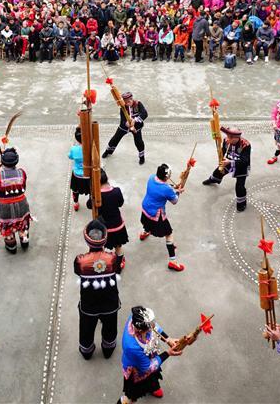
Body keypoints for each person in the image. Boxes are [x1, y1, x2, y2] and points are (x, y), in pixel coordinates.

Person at [74, 219, 120, 360]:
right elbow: (117, 269)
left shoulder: (80, 261)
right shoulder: (112, 258)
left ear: (87, 240)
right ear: (104, 240)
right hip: (110, 303)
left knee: (86, 328)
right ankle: (108, 349)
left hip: (89, 305)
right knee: (110, 327)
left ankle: (87, 351)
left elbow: (77, 272)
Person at [119, 306, 183, 403]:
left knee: (153, 376)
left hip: (149, 356)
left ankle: (152, 386)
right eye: (150, 327)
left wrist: (168, 339)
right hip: (137, 370)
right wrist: (168, 353)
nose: (153, 326)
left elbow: (154, 326)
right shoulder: (131, 347)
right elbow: (148, 368)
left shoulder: (137, 317)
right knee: (131, 395)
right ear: (141, 331)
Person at [139, 164, 184, 272]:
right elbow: (175, 201)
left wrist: (173, 187)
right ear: (167, 176)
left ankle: (145, 232)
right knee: (169, 234)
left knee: (146, 222)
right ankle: (172, 261)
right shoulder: (166, 189)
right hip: (156, 214)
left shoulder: (152, 177)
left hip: (146, 208)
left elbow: (162, 186)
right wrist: (178, 192)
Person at [0, 147, 31, 253]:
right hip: (21, 205)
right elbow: (24, 187)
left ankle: (12, 248)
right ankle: (24, 243)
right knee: (23, 225)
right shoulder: (22, 172)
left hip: (4, 207)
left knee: (7, 228)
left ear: (2, 162)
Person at [202, 127, 251, 212]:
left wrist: (230, 162)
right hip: (228, 161)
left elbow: (245, 161)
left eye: (231, 137)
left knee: (240, 187)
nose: (228, 139)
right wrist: (220, 155)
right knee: (218, 172)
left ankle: (242, 203)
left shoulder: (245, 145)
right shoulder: (226, 140)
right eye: (228, 136)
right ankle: (213, 180)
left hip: (241, 166)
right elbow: (223, 150)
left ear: (237, 138)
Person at [103, 92, 148, 165]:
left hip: (136, 127)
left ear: (131, 99)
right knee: (115, 139)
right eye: (125, 101)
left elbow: (145, 114)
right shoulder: (123, 107)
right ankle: (108, 151)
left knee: (139, 142)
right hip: (124, 127)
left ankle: (142, 157)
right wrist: (126, 123)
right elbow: (123, 120)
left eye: (128, 101)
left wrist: (135, 120)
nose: (127, 103)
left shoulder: (138, 104)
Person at [96, 168, 128, 271]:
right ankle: (119, 265)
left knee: (102, 247)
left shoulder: (97, 195)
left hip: (104, 228)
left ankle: (103, 264)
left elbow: (89, 205)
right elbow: (120, 203)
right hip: (118, 226)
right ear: (107, 178)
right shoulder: (116, 191)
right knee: (118, 247)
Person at [69, 127, 91, 211]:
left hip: (77, 175)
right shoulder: (91, 148)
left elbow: (70, 157)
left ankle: (76, 203)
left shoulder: (74, 149)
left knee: (75, 190)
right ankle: (91, 202)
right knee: (91, 190)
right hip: (88, 174)